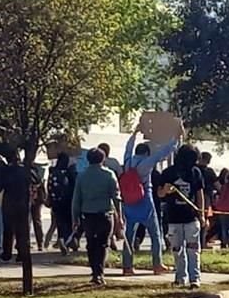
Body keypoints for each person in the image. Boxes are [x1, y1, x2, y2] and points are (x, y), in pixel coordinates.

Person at [121, 122, 178, 276]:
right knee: (155, 233)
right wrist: (175, 139)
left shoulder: (128, 162)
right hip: (144, 200)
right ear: (146, 153)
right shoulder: (146, 163)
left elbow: (128, 147)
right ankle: (157, 264)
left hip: (128, 201)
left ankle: (127, 266)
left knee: (129, 234)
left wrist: (134, 133)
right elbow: (162, 153)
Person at [158, 144, 206, 288]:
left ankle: (194, 279)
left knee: (193, 249)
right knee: (177, 250)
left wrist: (201, 214)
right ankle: (180, 277)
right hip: (173, 217)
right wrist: (165, 190)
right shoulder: (168, 173)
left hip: (191, 217)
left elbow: (199, 194)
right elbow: (159, 193)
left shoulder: (195, 172)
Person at [72, 147, 122, 285]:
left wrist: (75, 218)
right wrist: (120, 217)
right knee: (103, 244)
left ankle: (94, 271)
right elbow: (116, 198)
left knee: (91, 244)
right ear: (103, 159)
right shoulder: (109, 174)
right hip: (105, 214)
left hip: (87, 215)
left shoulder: (82, 176)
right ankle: (99, 273)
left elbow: (76, 199)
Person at [0, 146, 31, 262]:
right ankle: (22, 252)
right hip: (22, 200)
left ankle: (7, 252)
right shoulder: (24, 170)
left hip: (9, 201)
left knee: (8, 228)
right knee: (22, 228)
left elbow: (1, 184)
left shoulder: (5, 171)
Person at [48, 152, 77, 256]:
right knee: (69, 223)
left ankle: (61, 239)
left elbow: (49, 187)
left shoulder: (53, 172)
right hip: (68, 201)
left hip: (56, 202)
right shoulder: (68, 172)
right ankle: (67, 242)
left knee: (60, 223)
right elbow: (74, 186)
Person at [30, 164, 47, 251]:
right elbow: (41, 186)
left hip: (27, 199)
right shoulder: (38, 172)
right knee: (37, 221)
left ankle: (24, 242)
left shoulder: (24, 171)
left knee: (25, 222)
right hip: (36, 199)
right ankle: (40, 243)